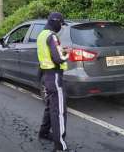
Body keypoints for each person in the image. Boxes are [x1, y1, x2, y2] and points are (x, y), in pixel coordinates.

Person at [37, 12, 73, 152]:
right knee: (59, 111)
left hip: (47, 75)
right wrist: (68, 53)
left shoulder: (42, 35)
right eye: (61, 24)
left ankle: (44, 132)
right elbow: (58, 59)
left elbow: (49, 52)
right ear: (57, 22)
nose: (62, 27)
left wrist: (61, 50)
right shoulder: (52, 36)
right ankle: (60, 147)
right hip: (55, 76)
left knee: (51, 106)